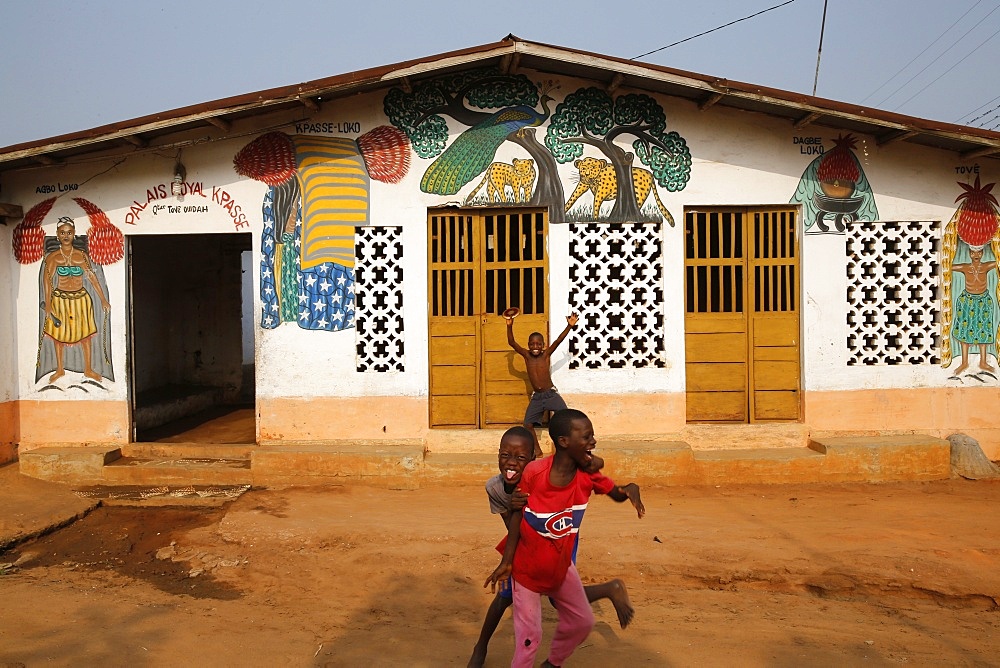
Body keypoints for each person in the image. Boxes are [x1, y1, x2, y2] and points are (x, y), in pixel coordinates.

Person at [468, 425, 642, 668]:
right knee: (505, 596)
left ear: (532, 460)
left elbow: (589, 461)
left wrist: (599, 467)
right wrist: (510, 554)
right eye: (505, 455)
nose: (511, 463)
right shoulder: (495, 488)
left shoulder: (543, 474)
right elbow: (512, 527)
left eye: (520, 458)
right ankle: (481, 647)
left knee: (557, 597)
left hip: (562, 537)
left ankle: (608, 592)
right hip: (525, 543)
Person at [40, 217, 111, 383]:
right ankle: (59, 369)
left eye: (69, 232)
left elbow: (92, 277)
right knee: (59, 336)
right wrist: (49, 303)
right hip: (60, 299)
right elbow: (47, 280)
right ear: (57, 235)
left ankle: (88, 369)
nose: (66, 236)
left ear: (74, 235)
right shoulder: (53, 257)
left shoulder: (81, 256)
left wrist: (102, 299)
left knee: (85, 334)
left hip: (81, 299)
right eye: (62, 233)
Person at [506, 311, 579, 457]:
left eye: (538, 344)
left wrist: (569, 326)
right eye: (532, 344)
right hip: (537, 398)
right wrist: (509, 324)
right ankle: (537, 449)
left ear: (543, 345)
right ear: (528, 345)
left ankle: (565, 448)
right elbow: (512, 342)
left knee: (564, 417)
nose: (535, 346)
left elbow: (558, 340)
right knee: (527, 424)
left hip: (550, 394)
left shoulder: (545, 355)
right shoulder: (526, 355)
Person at [949, 244, 998, 375]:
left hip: (983, 301)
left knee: (984, 330)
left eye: (979, 253)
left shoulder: (986, 266)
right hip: (967, 301)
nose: (976, 256)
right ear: (969, 254)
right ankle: (964, 362)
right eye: (973, 253)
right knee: (964, 330)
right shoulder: (965, 267)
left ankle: (983, 361)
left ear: (982, 254)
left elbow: (997, 261)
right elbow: (948, 266)